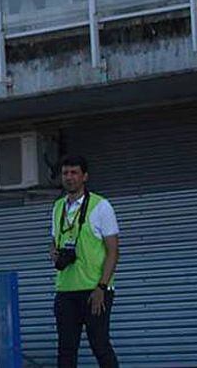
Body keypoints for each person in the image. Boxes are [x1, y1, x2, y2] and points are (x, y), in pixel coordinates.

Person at [49, 155, 120, 368]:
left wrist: (102, 287)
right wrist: (54, 253)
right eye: (65, 173)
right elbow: (54, 242)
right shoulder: (58, 207)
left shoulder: (101, 206)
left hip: (94, 290)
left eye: (74, 173)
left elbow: (113, 251)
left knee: (100, 346)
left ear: (84, 176)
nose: (69, 177)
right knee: (66, 350)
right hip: (66, 289)